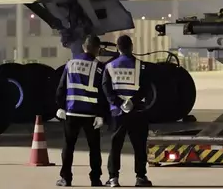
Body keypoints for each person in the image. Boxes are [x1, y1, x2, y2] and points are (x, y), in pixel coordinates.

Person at [55, 35, 108, 187]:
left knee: (68, 147)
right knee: (94, 148)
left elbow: (61, 88)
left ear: (84, 47)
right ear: (97, 49)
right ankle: (95, 179)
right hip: (91, 114)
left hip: (72, 112)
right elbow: (102, 93)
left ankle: (66, 179)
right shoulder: (99, 67)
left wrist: (60, 106)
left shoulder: (70, 64)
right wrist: (101, 114)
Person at [102, 35, 153, 188]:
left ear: (118, 48)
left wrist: (119, 104)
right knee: (139, 145)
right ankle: (140, 177)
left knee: (115, 145)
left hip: (118, 113)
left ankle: (113, 178)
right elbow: (146, 89)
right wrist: (132, 102)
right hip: (137, 111)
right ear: (131, 47)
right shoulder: (141, 66)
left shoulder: (109, 67)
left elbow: (106, 88)